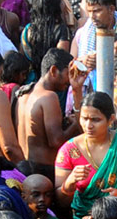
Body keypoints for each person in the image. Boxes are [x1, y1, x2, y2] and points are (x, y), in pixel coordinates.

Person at [55, 91, 117, 219]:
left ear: (111, 119)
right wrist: (70, 182)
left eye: (96, 120)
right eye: (84, 118)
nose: (88, 126)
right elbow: (60, 201)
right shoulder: (69, 150)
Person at [16, 48, 83, 177]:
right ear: (53, 71)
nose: (70, 80)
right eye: (69, 73)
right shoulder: (48, 97)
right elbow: (56, 141)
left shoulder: (23, 93)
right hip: (44, 171)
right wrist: (76, 123)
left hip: (24, 169)